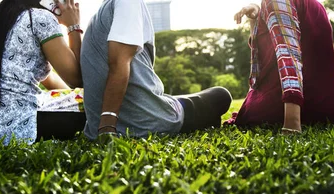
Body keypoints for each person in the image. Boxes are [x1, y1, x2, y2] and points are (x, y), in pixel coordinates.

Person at [81, 0, 232, 140]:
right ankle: (177, 110)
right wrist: (107, 127)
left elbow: (78, 78)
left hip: (97, 127)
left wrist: (72, 27)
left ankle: (173, 104)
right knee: (221, 95)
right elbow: (119, 63)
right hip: (147, 121)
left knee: (178, 100)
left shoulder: (98, 17)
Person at [0, 0, 84, 146]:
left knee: (83, 99)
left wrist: (74, 96)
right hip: (15, 127)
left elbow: (51, 80)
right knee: (97, 105)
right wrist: (73, 26)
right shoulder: (41, 18)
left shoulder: (3, 22)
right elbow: (76, 78)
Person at [227, 0, 334, 134]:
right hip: (333, 107)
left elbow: (289, 56)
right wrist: (256, 17)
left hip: (287, 109)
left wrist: (292, 122)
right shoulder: (316, 6)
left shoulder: (275, 2)